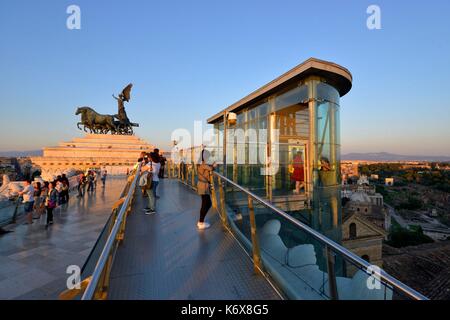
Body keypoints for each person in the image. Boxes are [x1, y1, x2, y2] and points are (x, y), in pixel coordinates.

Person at [196, 150, 216, 230]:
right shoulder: (203, 164)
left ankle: (201, 221)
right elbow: (211, 168)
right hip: (203, 186)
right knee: (206, 204)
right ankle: (201, 222)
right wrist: (214, 165)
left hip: (203, 185)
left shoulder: (202, 163)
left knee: (206, 203)